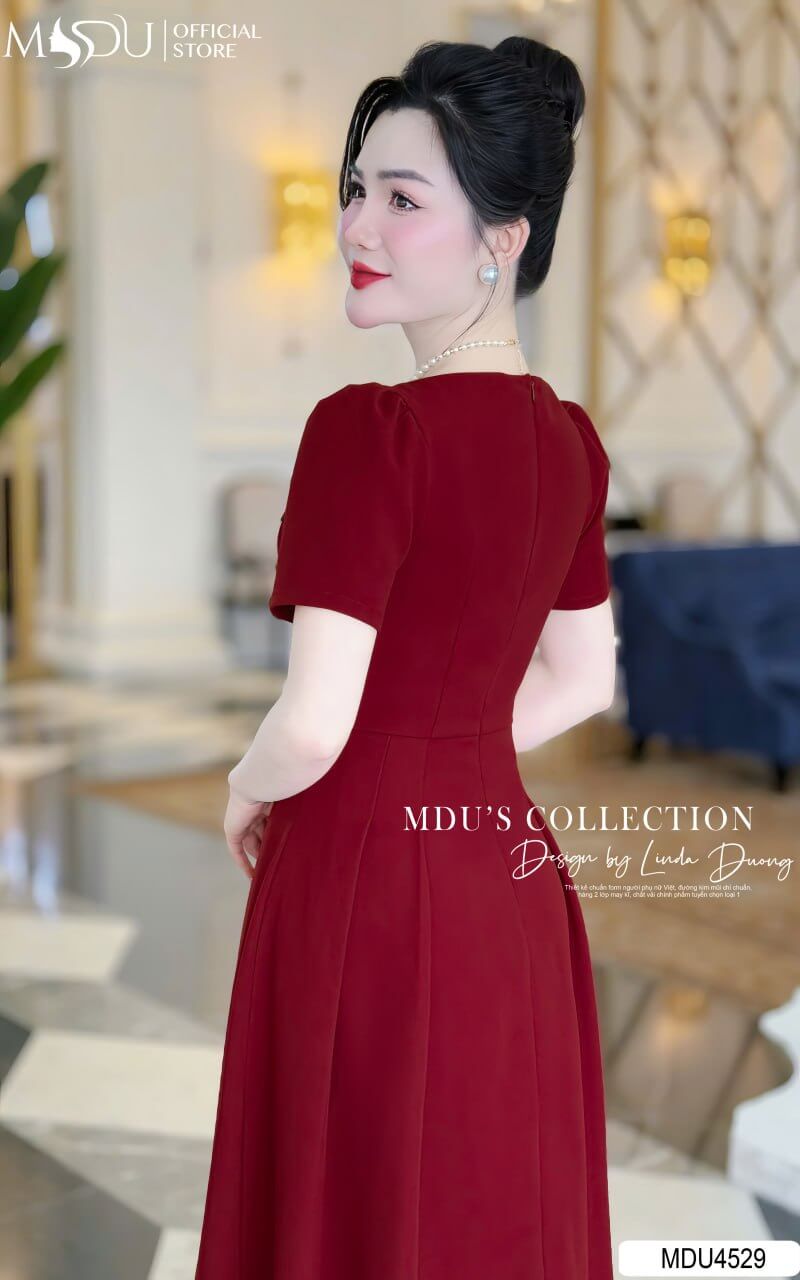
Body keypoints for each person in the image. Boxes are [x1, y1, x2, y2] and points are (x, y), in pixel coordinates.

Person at [196, 35, 617, 1280]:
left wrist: (247, 784)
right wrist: (453, 751)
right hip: (503, 872)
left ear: (503, 238)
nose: (354, 227)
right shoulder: (570, 444)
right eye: (356, 189)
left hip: (363, 873)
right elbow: (582, 681)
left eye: (400, 197)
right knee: (486, 1198)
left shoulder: (366, 432)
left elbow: (312, 722)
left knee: (351, 1197)